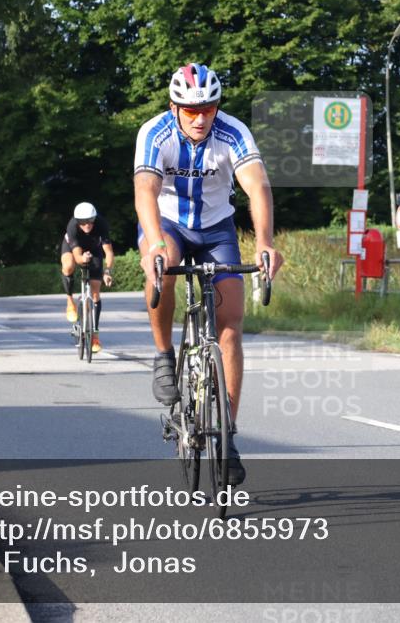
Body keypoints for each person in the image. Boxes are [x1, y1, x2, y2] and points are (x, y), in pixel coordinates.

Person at [133, 62, 283, 486]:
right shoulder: (154, 133)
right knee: (161, 271)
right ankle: (164, 356)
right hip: (169, 225)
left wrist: (266, 243)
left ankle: (228, 435)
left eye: (209, 109)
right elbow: (145, 190)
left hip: (217, 228)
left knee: (231, 325)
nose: (200, 118)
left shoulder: (233, 133)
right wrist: (155, 243)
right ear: (174, 106)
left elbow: (258, 186)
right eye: (190, 110)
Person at [61, 202, 114, 352]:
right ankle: (70, 301)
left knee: (95, 293)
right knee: (68, 265)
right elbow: (77, 256)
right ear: (77, 222)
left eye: (90, 221)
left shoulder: (101, 224)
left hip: (94, 248)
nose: (87, 225)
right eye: (83, 223)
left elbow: (108, 252)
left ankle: (95, 334)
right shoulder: (72, 226)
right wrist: (83, 259)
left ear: (94, 219)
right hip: (74, 249)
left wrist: (108, 271)